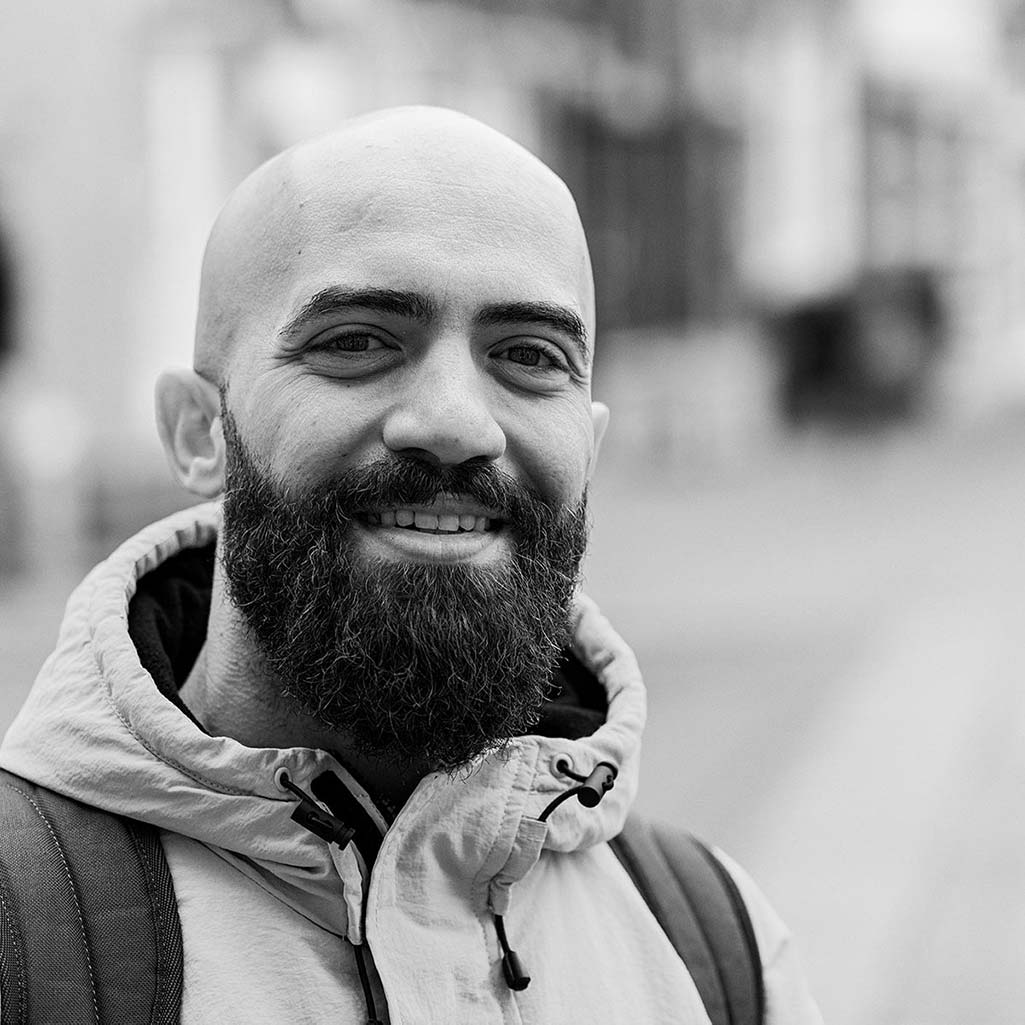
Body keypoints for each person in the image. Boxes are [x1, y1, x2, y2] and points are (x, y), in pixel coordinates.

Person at [0, 107, 820, 1023]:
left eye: (529, 356)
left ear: (588, 447)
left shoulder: (717, 953)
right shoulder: (22, 934)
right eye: (356, 341)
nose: (456, 422)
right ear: (199, 431)